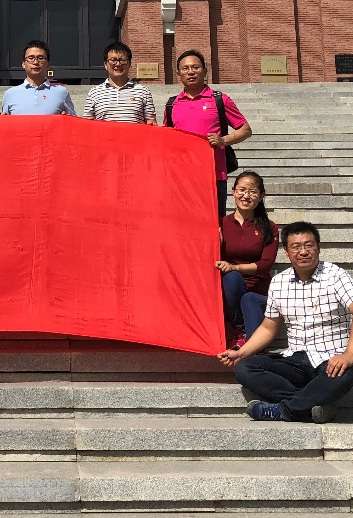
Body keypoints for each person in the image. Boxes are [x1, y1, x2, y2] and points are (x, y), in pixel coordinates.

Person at [219, 221, 353, 424]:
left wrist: (349, 355)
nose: (303, 252)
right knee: (246, 368)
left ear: (318, 247)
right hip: (295, 360)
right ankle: (312, 405)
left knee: (346, 374)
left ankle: (285, 410)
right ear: (287, 252)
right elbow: (268, 327)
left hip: (331, 360)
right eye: (296, 247)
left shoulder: (335, 275)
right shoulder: (279, 282)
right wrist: (241, 353)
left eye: (309, 245)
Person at [164, 49, 251, 218]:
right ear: (178, 74)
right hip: (182, 177)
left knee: (215, 223)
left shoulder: (220, 100)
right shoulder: (172, 104)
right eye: (185, 68)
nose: (190, 72)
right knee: (184, 222)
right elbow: (168, 137)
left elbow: (246, 130)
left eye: (195, 67)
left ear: (205, 71)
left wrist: (223, 140)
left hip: (214, 175)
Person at [216, 171, 279, 347]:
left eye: (252, 191)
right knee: (231, 278)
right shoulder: (220, 224)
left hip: (256, 293)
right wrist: (216, 245)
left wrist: (235, 267)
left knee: (255, 345)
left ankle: (245, 335)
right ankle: (239, 327)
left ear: (261, 196)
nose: (246, 195)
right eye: (242, 190)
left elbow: (266, 264)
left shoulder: (269, 227)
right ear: (233, 192)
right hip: (229, 288)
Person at [82, 40, 157, 124]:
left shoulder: (143, 92)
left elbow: (151, 123)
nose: (118, 64)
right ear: (106, 65)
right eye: (113, 60)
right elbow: (86, 124)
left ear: (129, 64)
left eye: (123, 60)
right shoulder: (94, 93)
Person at [2, 41, 77, 116]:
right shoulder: (10, 94)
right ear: (23, 64)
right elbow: (4, 121)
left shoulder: (61, 92)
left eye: (40, 58)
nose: (35, 62)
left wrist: (67, 118)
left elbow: (73, 120)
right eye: (31, 58)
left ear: (48, 64)